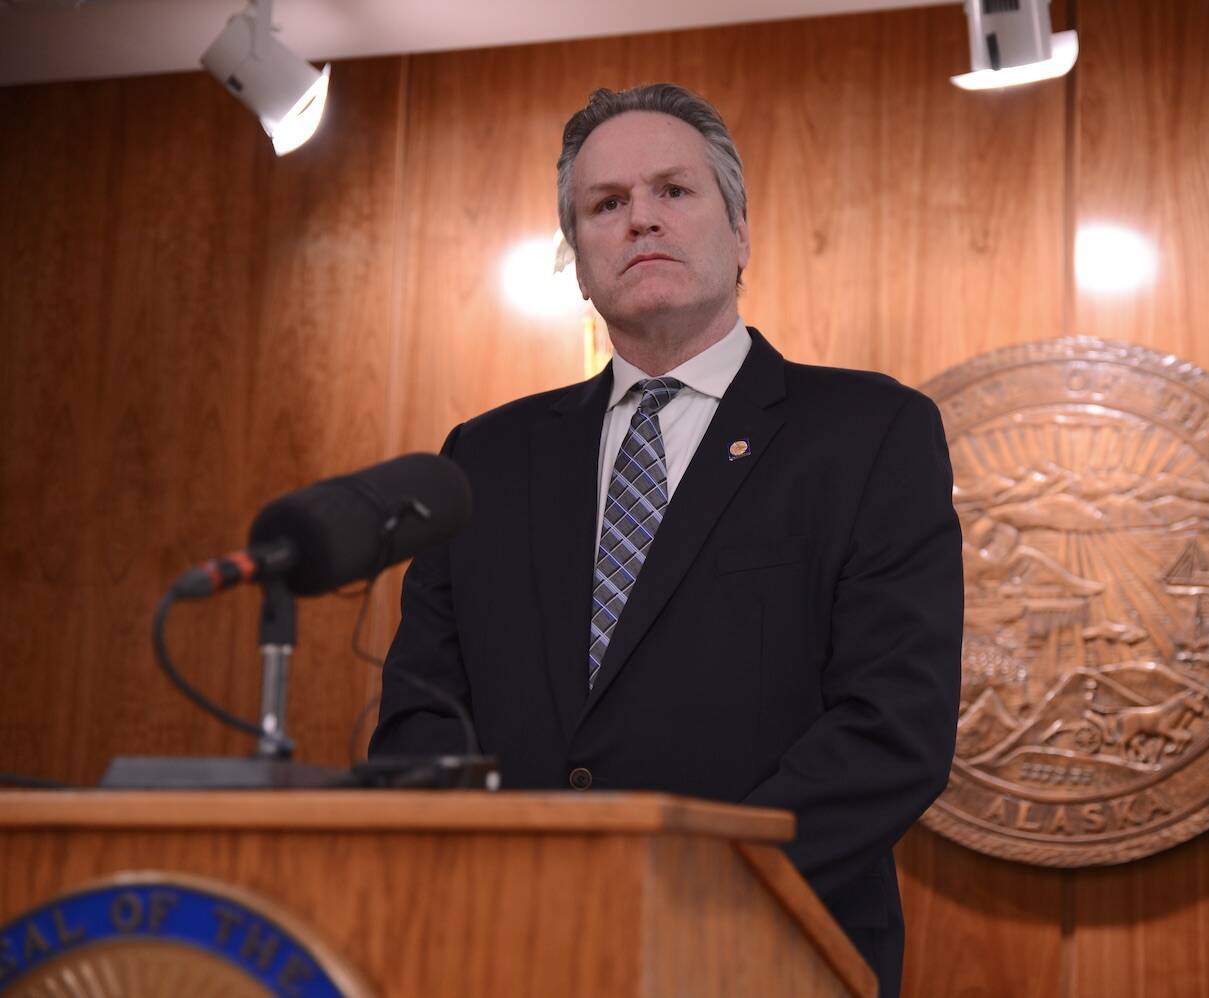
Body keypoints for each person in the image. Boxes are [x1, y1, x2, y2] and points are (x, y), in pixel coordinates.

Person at [372, 83, 962, 996]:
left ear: (741, 234)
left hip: (760, 945)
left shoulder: (870, 431)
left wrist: (686, 886)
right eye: (607, 205)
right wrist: (487, 888)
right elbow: (420, 716)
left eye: (673, 192)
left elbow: (895, 728)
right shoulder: (483, 457)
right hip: (508, 950)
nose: (640, 219)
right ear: (577, 261)